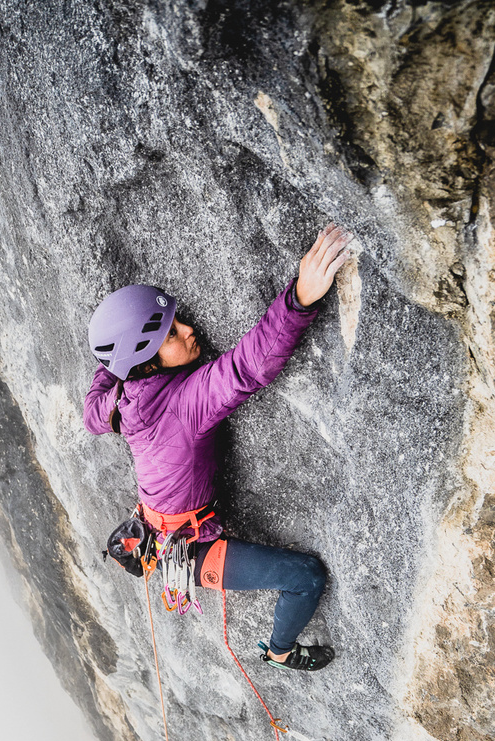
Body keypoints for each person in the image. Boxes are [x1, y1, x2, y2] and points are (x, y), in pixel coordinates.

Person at [84, 225, 351, 670]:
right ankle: (280, 652)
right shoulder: (185, 404)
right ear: (146, 361)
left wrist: (118, 360)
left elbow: (94, 404)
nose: (189, 330)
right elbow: (248, 368)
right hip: (188, 553)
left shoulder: (115, 405)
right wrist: (300, 299)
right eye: (170, 335)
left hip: (154, 531)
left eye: (177, 322)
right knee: (305, 577)